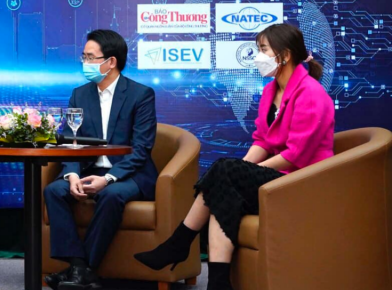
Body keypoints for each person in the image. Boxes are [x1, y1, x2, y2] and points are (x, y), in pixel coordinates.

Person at [134, 23, 334, 290]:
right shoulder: (270, 91)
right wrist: (242, 171)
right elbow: (263, 140)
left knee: (226, 171)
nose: (258, 56)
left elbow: (295, 155)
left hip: (302, 181)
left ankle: (178, 244)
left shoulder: (310, 93)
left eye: (263, 49)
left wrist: (245, 171)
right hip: (278, 177)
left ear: (285, 55)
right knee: (224, 187)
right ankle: (217, 283)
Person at [44, 29, 158, 290]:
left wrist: (107, 178)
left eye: (90, 57)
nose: (85, 63)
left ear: (111, 61)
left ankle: (83, 269)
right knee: (54, 190)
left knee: (111, 194)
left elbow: (141, 149)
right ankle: (79, 267)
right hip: (88, 169)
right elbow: (70, 141)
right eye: (83, 57)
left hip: (129, 174)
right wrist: (72, 174)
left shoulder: (141, 94)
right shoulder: (80, 94)